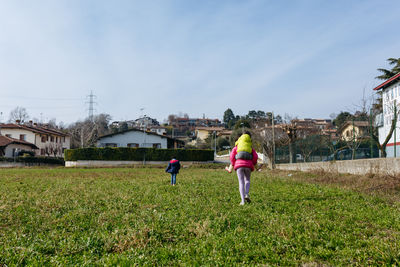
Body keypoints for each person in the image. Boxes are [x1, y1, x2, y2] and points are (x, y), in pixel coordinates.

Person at [229, 132, 258, 205]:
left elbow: (232, 156)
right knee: (247, 179)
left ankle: (242, 201)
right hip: (248, 165)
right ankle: (247, 194)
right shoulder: (250, 147)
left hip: (239, 165)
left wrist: (233, 163)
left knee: (241, 182)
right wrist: (253, 163)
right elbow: (255, 157)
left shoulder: (237, 146)